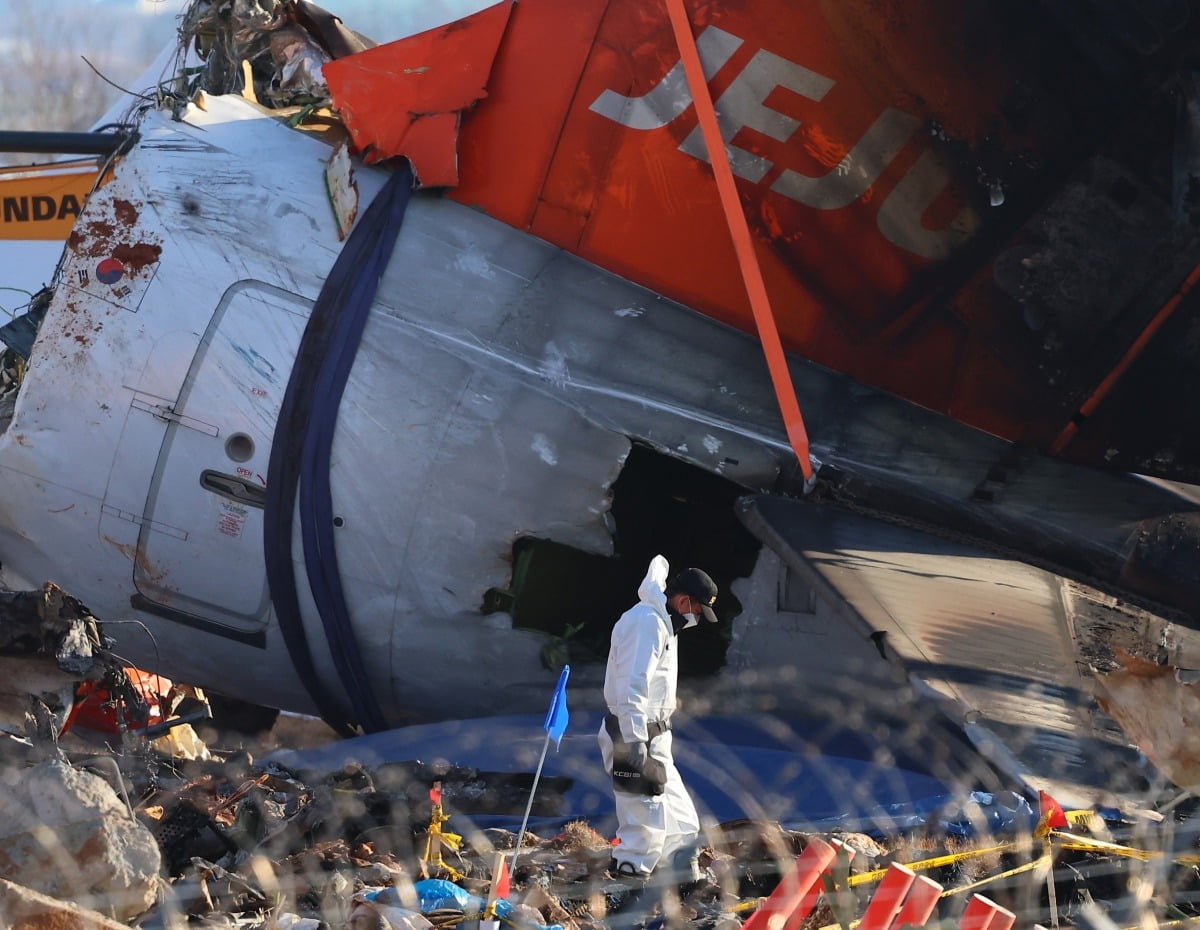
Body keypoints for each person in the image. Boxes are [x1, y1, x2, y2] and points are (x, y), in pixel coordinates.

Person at [598, 554, 719, 878]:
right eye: (696, 610)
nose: (696, 618)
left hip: (656, 738)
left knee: (682, 823)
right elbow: (631, 684)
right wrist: (635, 737)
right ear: (683, 600)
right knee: (644, 829)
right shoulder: (647, 622)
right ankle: (626, 892)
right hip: (634, 735)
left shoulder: (663, 624)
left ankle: (684, 885)